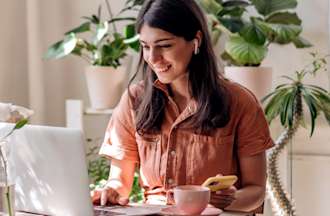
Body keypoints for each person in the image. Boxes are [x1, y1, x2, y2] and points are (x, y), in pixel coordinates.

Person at [92, 0, 274, 212]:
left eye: (165, 45)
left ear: (196, 41)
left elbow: (256, 191)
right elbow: (119, 182)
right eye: (145, 46)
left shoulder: (240, 102)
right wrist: (111, 191)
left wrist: (230, 198)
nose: (153, 58)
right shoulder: (135, 100)